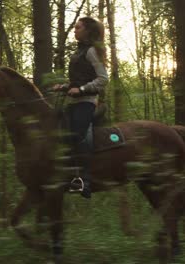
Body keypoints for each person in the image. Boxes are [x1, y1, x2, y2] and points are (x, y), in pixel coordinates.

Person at [53, 17, 109, 199]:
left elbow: (103, 79)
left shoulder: (92, 51)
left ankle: (85, 180)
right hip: (75, 102)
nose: (74, 30)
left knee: (77, 134)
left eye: (78, 27)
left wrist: (83, 89)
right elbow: (78, 80)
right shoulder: (79, 52)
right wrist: (65, 86)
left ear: (87, 30)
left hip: (88, 101)